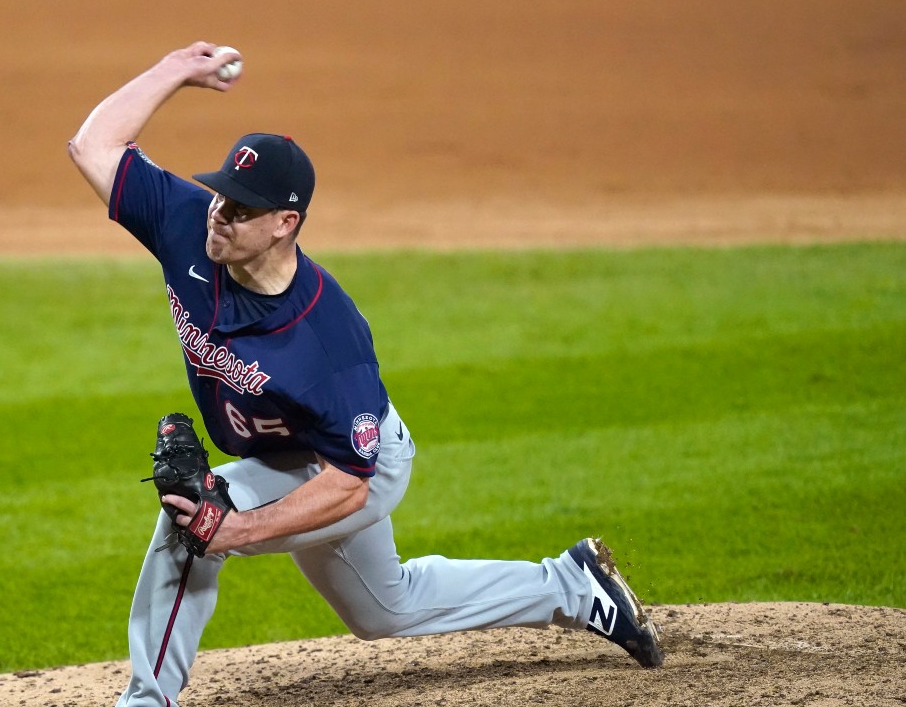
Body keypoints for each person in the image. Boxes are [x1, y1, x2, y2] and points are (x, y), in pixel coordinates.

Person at [68, 42, 664, 707]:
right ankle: (574, 586)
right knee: (387, 609)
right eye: (219, 197)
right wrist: (176, 70)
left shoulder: (327, 341)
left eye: (240, 209)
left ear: (284, 224)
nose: (219, 214)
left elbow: (349, 487)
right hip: (286, 456)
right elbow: (94, 146)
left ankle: (146, 701)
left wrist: (230, 531)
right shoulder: (189, 226)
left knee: (195, 520)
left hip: (355, 468)